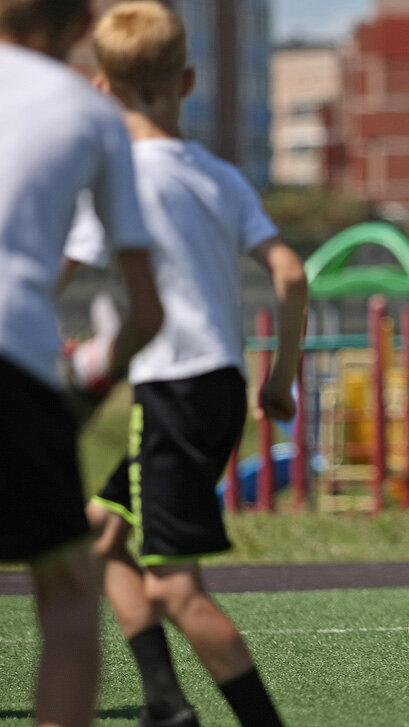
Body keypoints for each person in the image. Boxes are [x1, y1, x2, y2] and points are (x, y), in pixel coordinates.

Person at [60, 3, 307, 726]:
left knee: (175, 588)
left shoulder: (112, 177)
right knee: (102, 529)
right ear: (189, 80)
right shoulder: (221, 176)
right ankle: (165, 704)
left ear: (101, 90)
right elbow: (290, 273)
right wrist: (281, 379)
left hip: (170, 391)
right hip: (222, 386)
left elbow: (52, 275)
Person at [0, 1, 163, 725]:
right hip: (17, 360)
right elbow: (146, 309)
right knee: (66, 589)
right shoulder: (90, 114)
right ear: (80, 27)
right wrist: (88, 376)